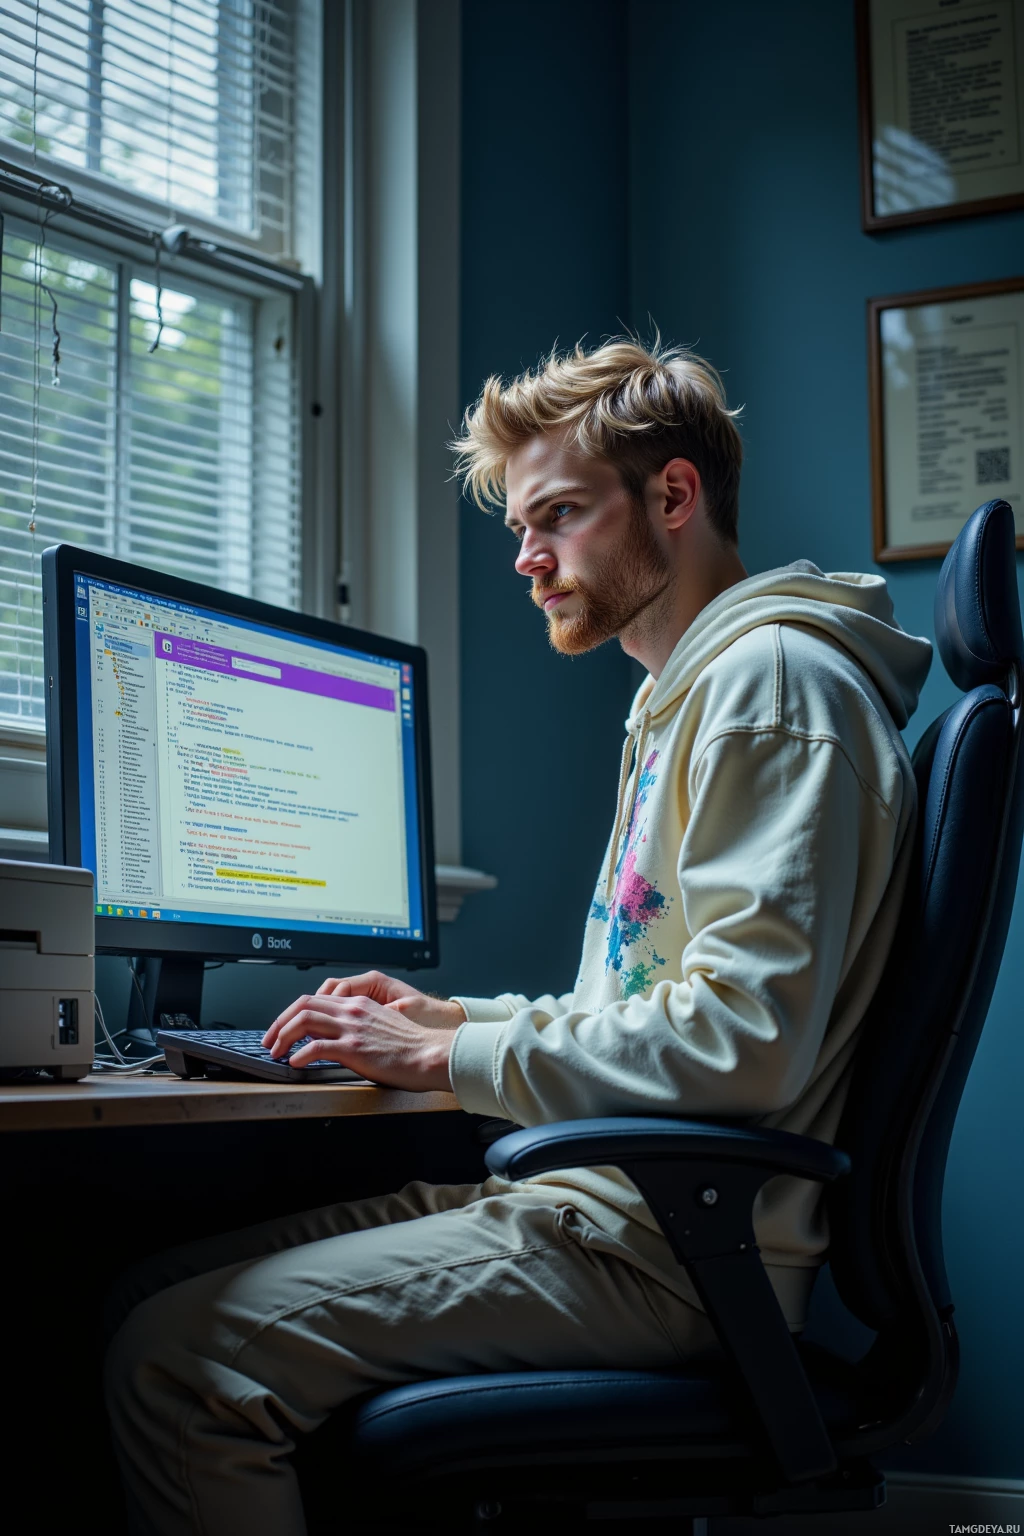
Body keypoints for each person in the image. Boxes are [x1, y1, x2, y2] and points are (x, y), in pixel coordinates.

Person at [106, 336, 932, 1535]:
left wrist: (449, 1063)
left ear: (672, 495)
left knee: (177, 1364)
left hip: (666, 1255)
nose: (527, 559)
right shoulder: (691, 696)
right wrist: (458, 1020)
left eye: (558, 516)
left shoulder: (769, 689)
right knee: (145, 1289)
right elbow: (659, 1001)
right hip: (613, 1212)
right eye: (519, 526)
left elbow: (743, 1041)